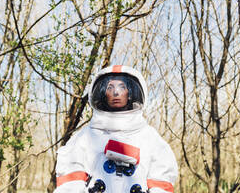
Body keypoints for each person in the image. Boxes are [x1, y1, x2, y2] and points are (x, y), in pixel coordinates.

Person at [54, 65, 178, 193]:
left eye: (122, 87)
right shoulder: (85, 137)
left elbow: (161, 182)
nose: (116, 92)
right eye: (110, 87)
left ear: (130, 93)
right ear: (103, 94)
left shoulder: (149, 137)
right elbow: (69, 183)